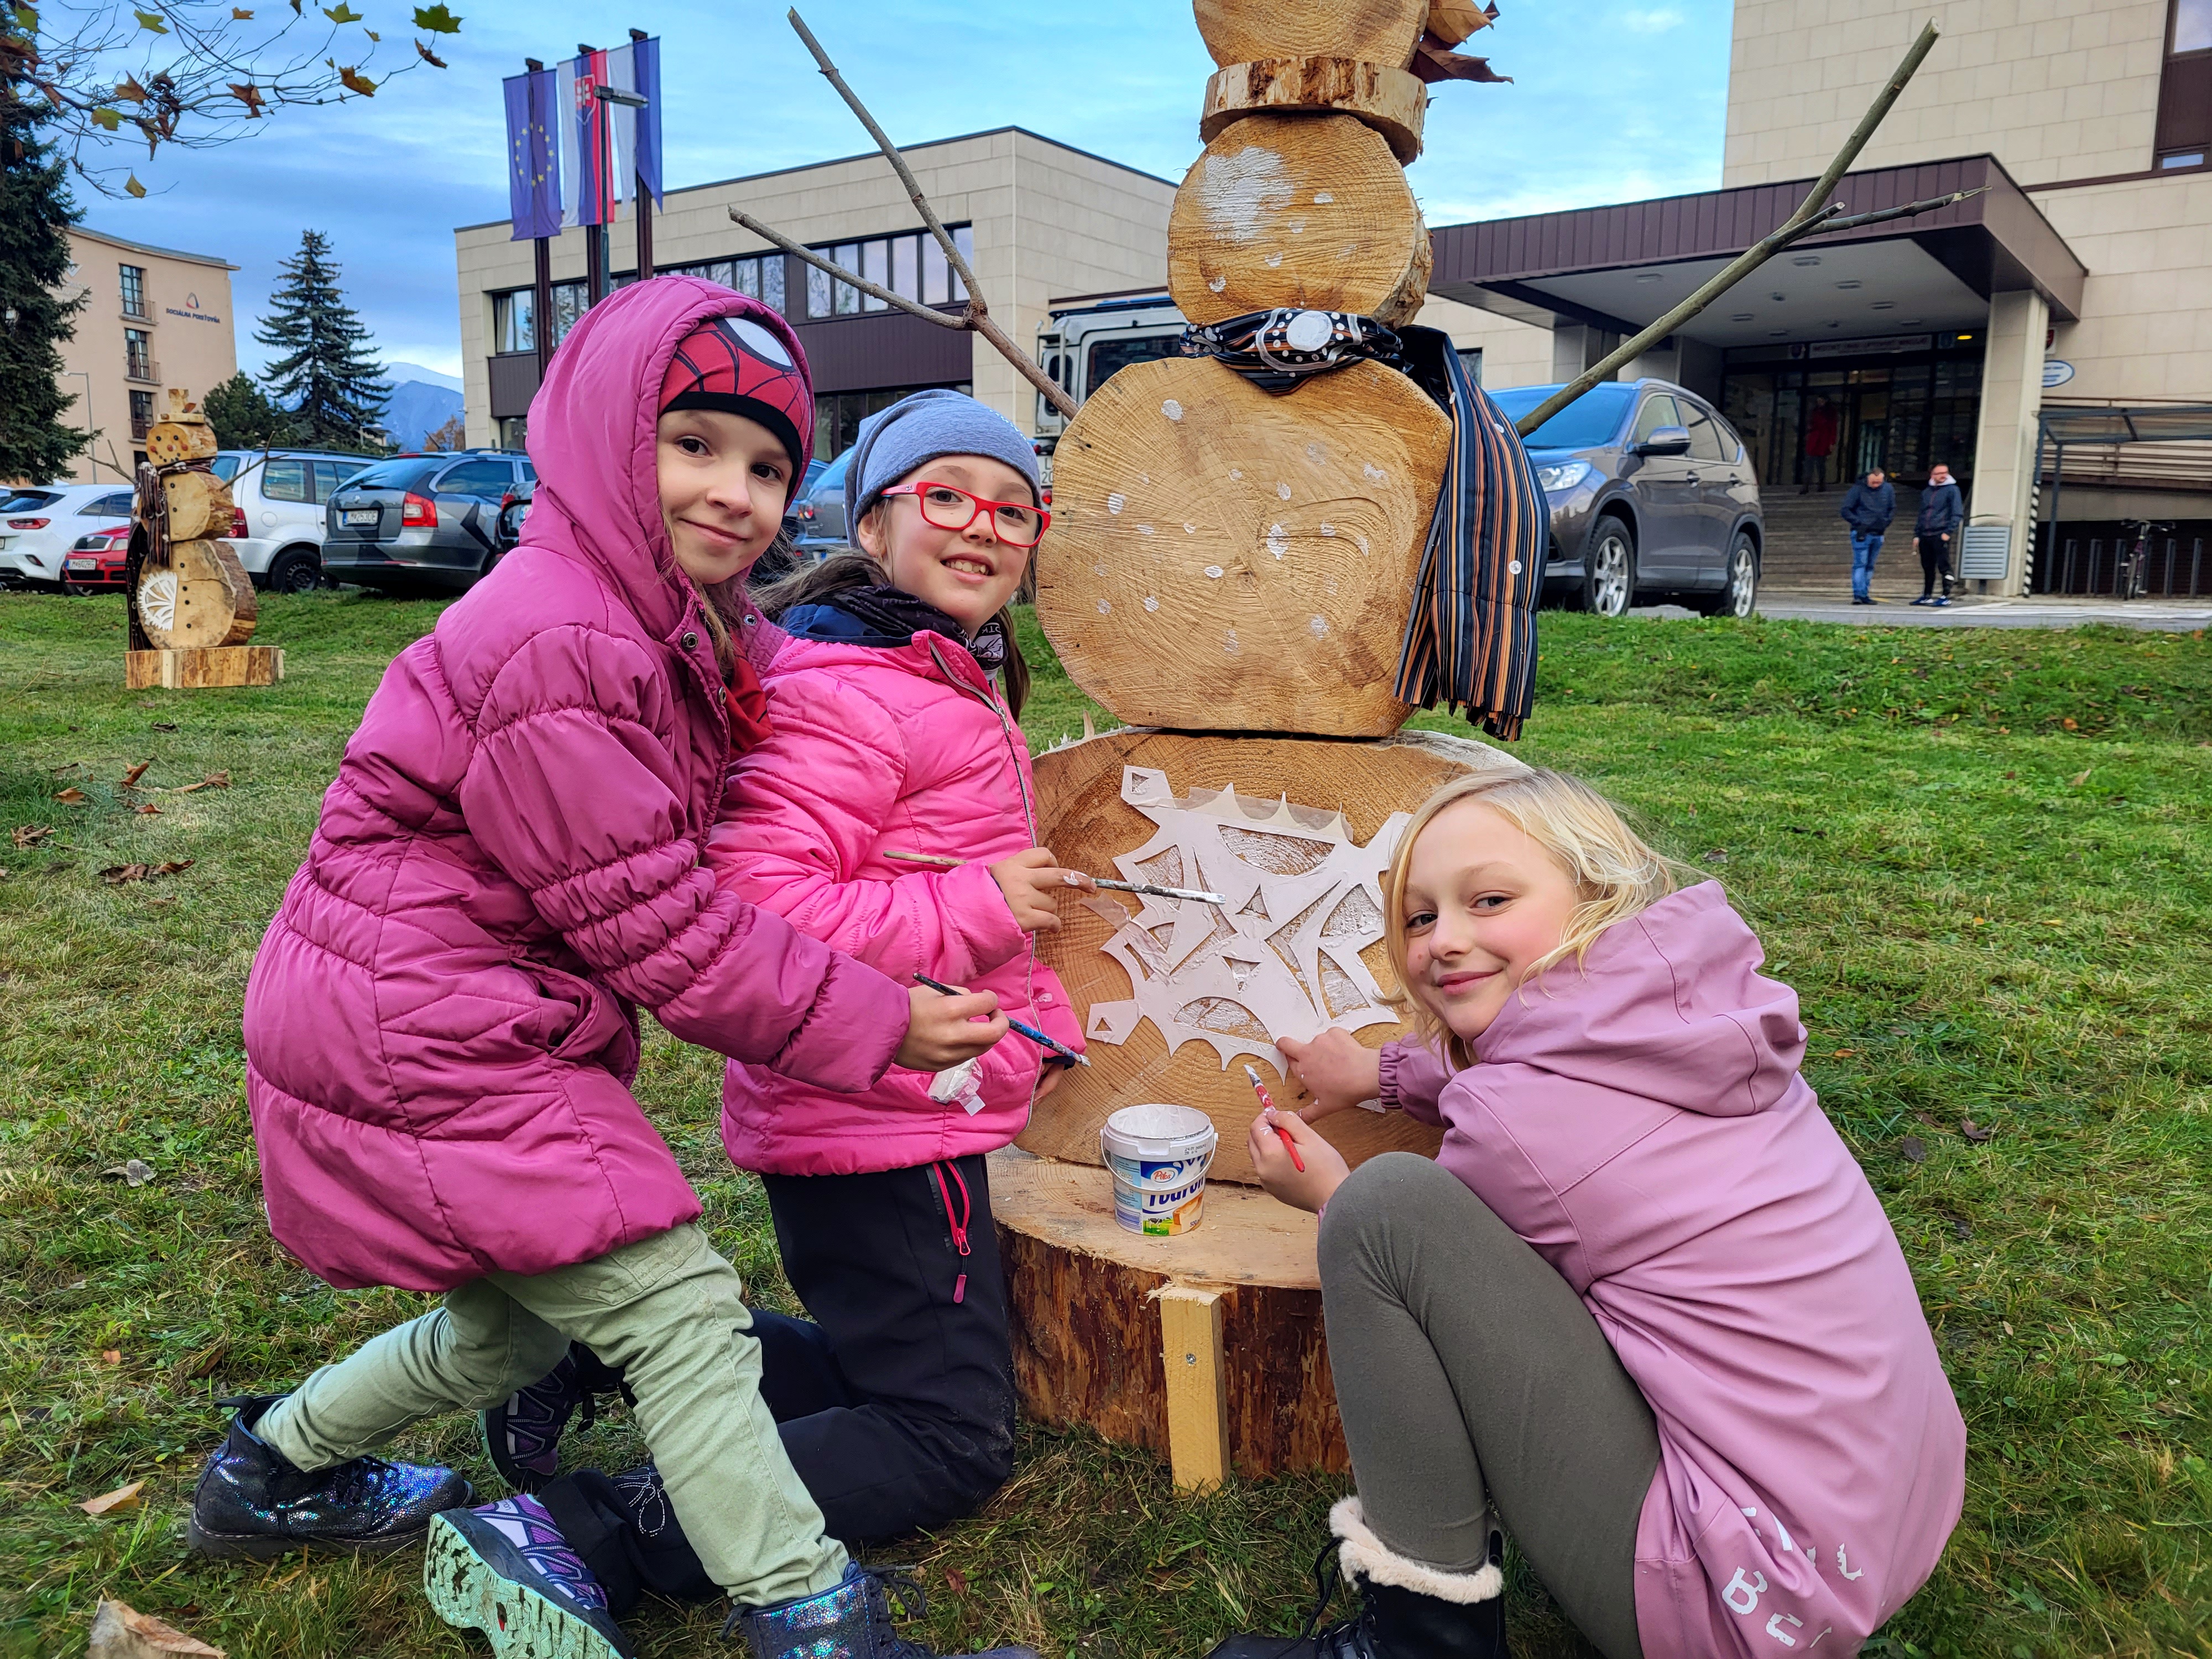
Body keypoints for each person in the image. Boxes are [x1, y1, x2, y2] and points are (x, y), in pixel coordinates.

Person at [191, 275, 1025, 1659]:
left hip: (453, 1002)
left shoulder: (665, 615)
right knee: (680, 1305)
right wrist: (883, 1015)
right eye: (691, 443)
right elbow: (667, 933)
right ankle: (813, 1619)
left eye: (768, 466)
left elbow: (786, 674)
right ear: (595, 435)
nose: (735, 493)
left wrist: (908, 627)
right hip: (429, 1020)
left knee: (514, 1328)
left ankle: (266, 1473)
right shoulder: (564, 636)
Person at [478, 390, 1088, 1608]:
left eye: (1013, 509)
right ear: (871, 524)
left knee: (874, 1362)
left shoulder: (927, 669)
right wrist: (974, 908)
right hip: (879, 1122)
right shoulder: (853, 689)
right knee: (944, 1437)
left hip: (880, 1104)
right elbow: (763, 910)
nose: (981, 527)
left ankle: (607, 1355)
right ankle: (611, 1529)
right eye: (945, 497)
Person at [1209, 768, 1965, 1659]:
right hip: (1882, 1520)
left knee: (1383, 1213)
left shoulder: (1515, 1131)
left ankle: (1420, 1641)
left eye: (1488, 899)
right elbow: (1557, 1086)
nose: (1445, 940)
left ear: (1598, 891)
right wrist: (1382, 1073)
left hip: (1742, 1604)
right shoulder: (1695, 1013)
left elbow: (1470, 1221)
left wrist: (1330, 1195)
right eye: (1420, 917)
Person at [1839, 466, 1895, 604]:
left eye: (1879, 483)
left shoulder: (1888, 489)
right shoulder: (1858, 489)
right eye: (1873, 482)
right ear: (1867, 479)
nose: (1876, 485)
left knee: (1870, 565)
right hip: (1862, 532)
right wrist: (1859, 523)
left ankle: (1864, 593)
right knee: (1860, 564)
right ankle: (1859, 594)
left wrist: (1885, 523)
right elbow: (1846, 510)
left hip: (1878, 532)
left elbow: (1892, 508)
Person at [1913, 462, 1964, 606]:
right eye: (1939, 473)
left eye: (1945, 473)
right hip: (1925, 534)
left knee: (1944, 566)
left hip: (1940, 533)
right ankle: (1927, 595)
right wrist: (1917, 534)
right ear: (1932, 475)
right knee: (1927, 566)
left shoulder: (1952, 490)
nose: (1943, 476)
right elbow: (1922, 514)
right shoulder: (1927, 492)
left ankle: (1945, 595)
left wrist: (1948, 532)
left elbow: (1957, 512)